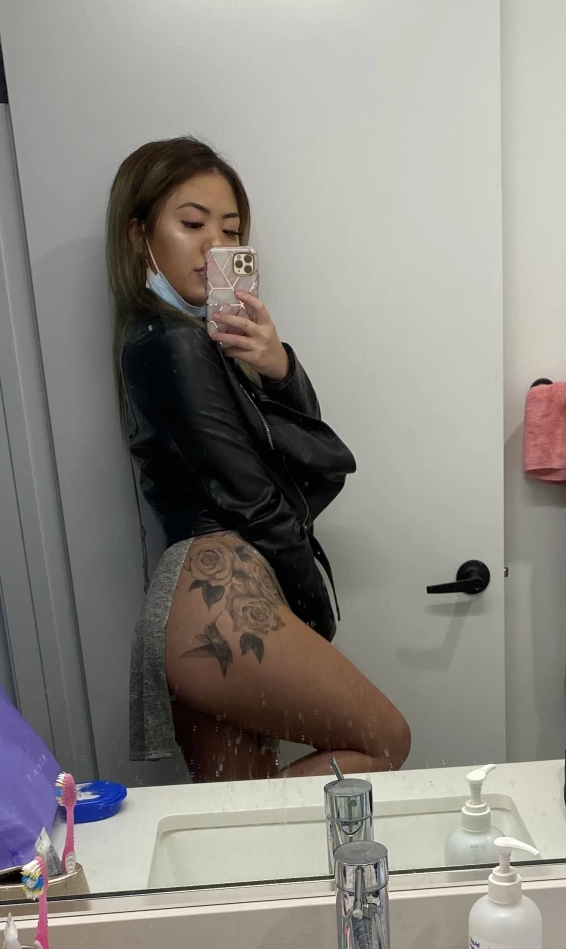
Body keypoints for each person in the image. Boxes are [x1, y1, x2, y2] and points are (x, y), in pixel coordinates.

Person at [107, 136, 410, 781]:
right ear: (139, 237)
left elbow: (300, 450)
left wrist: (277, 366)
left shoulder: (190, 340)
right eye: (192, 224)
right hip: (218, 592)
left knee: (239, 811)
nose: (214, 246)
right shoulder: (171, 342)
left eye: (231, 230)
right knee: (385, 741)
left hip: (204, 597)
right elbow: (252, 497)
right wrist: (313, 610)